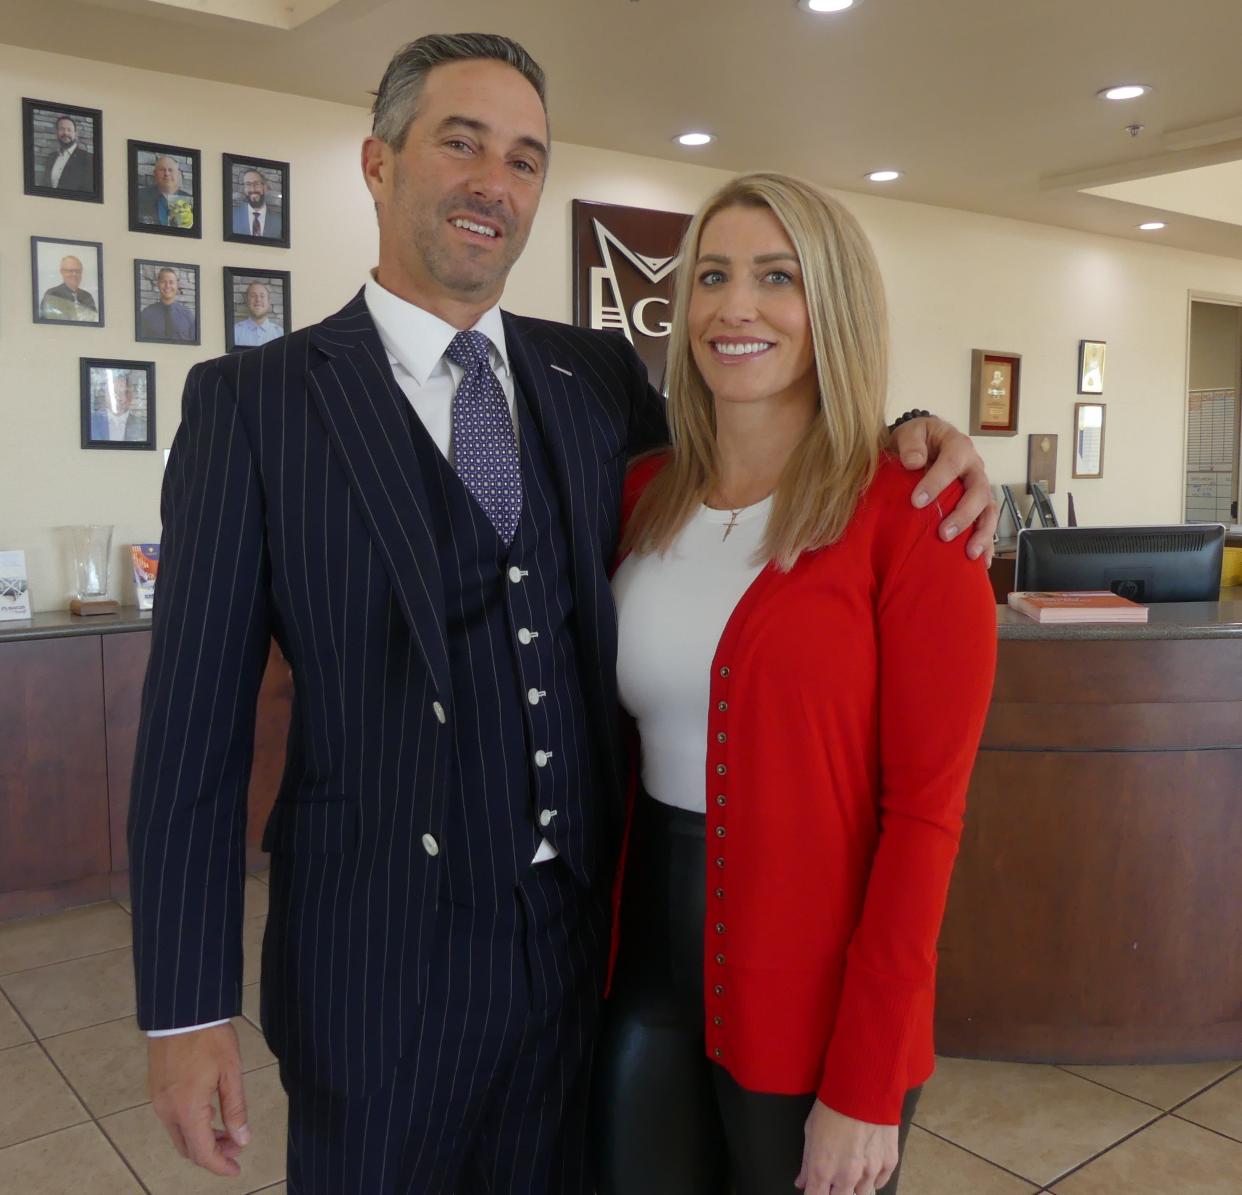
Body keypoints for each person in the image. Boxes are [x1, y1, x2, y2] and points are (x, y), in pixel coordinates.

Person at [126, 33, 996, 1195]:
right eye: (462, 142)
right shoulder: (253, 406)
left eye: (527, 158)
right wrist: (184, 1012)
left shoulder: (594, 385)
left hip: (583, 963)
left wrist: (921, 434)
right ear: (379, 163)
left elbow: (758, 463)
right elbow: (192, 735)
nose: (497, 181)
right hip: (375, 977)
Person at [594, 173, 998, 1195]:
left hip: (815, 997)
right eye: (712, 276)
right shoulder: (639, 496)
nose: (737, 306)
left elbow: (925, 820)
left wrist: (868, 1078)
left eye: (779, 278)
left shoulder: (916, 516)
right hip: (640, 975)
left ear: (835, 307)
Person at [139, 267, 196, 341]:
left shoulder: (188, 315)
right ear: (158, 284)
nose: (167, 286)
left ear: (177, 285)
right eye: (163, 282)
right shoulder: (146, 314)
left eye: (171, 282)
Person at [138, 154, 194, 227]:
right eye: (162, 170)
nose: (167, 173)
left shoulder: (191, 201)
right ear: (155, 174)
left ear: (178, 174)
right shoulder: (139, 196)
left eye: (170, 170)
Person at [42, 114, 95, 191]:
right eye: (61, 129)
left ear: (75, 134)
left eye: (69, 130)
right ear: (56, 133)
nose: (65, 133)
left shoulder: (88, 158)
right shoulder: (51, 157)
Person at [90, 371, 147, 442]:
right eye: (114, 392)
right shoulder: (90, 422)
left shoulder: (143, 426)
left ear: (131, 395)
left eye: (123, 392)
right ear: (105, 394)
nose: (118, 398)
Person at [40, 255, 98, 321]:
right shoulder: (53, 294)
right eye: (70, 271)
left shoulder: (87, 296)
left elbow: (94, 320)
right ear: (62, 272)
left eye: (78, 271)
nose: (74, 274)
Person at [231, 168, 283, 238]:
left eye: (257, 184)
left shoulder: (279, 221)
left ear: (265, 187)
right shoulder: (232, 216)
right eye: (248, 184)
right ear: (244, 189)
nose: (252, 189)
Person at [231, 281, 284, 346]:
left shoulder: (280, 334)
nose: (258, 299)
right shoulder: (234, 332)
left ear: (269, 302)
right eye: (253, 296)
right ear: (247, 301)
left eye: (262, 296)